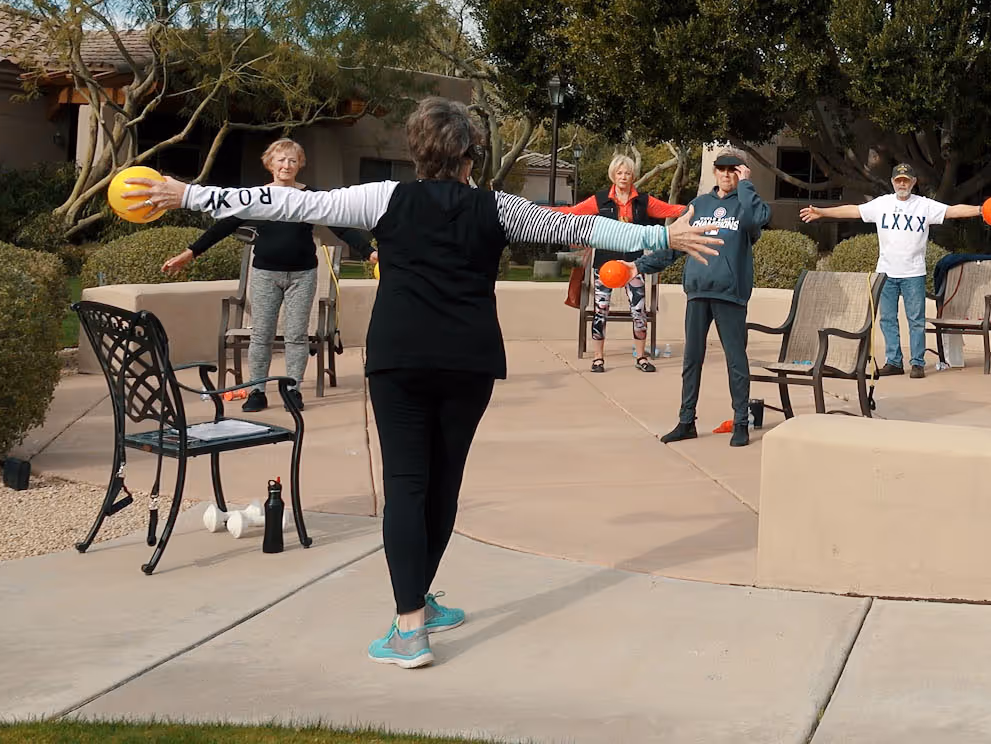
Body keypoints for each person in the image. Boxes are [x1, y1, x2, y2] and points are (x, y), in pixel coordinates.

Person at [125, 97, 721, 670]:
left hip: (400, 362)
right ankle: (419, 601)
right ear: (470, 155)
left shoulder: (384, 198)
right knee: (443, 484)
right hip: (469, 363)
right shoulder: (497, 208)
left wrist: (186, 194)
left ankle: (410, 624)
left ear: (417, 152)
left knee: (408, 485)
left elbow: (285, 204)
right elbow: (585, 228)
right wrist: (662, 237)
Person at [161, 138, 374, 411]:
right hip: (265, 274)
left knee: (297, 336)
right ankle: (257, 391)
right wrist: (190, 252)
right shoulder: (256, 197)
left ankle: (292, 390)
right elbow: (226, 224)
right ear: (270, 163)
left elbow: (340, 225)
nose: (287, 165)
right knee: (261, 334)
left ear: (300, 165)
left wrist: (368, 251)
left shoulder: (309, 197)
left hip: (302, 275)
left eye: (293, 160)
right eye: (281, 160)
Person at [798, 162, 982, 385]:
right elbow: (854, 211)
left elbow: (952, 211)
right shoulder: (882, 204)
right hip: (886, 272)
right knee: (887, 319)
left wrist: (980, 210)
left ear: (913, 182)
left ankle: (917, 363)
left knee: (915, 320)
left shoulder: (924, 205)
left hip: (914, 272)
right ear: (893, 182)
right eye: (898, 180)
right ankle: (894, 362)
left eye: (906, 180)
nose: (902, 184)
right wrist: (822, 212)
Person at [637, 151, 772, 448]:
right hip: (698, 292)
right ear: (714, 172)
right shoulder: (698, 205)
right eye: (722, 169)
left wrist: (747, 186)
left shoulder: (747, 205)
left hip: (730, 295)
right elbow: (673, 245)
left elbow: (758, 221)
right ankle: (686, 422)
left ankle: (741, 422)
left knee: (736, 361)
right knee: (691, 360)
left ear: (742, 173)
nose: (727, 175)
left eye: (733, 170)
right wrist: (637, 266)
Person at [552, 154, 690, 373]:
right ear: (613, 175)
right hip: (605, 265)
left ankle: (641, 357)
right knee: (601, 310)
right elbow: (572, 213)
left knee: (639, 310)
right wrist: (542, 212)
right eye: (619, 173)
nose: (624, 177)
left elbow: (671, 210)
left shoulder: (643, 201)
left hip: (634, 265)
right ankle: (598, 358)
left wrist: (698, 210)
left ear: (633, 175)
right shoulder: (600, 200)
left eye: (627, 173)